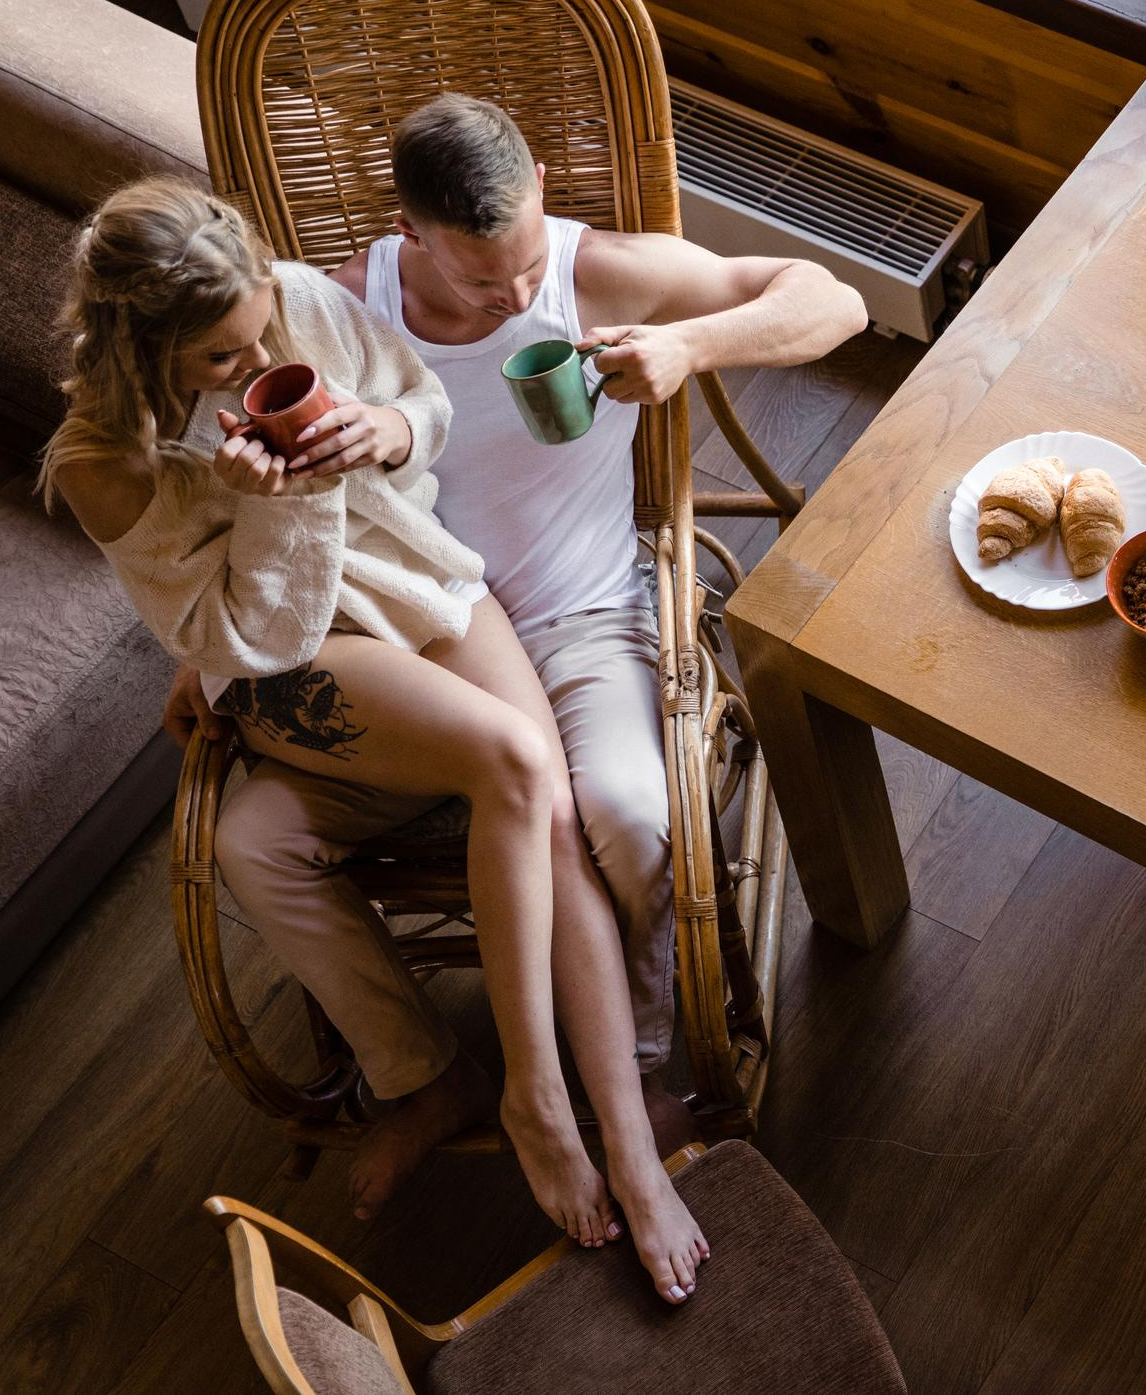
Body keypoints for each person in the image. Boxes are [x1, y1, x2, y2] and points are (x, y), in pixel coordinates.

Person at [158, 95, 866, 1221]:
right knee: (255, 843)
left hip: (583, 625)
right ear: (409, 234)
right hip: (416, 646)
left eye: (526, 261)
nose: (516, 296)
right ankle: (427, 1078)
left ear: (540, 178)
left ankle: (623, 1071)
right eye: (486, 283)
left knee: (629, 816)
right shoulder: (343, 309)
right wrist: (216, 652)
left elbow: (832, 299)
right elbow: (234, 499)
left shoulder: (596, 274)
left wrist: (687, 345)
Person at [44, 178, 710, 1303]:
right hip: (282, 660)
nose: (251, 366)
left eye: (259, 333)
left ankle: (630, 1150)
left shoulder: (294, 299)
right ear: (136, 349)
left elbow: (422, 409)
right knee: (511, 760)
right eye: (216, 360)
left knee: (542, 797)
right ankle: (530, 1101)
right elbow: (249, 636)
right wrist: (286, 503)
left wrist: (386, 428)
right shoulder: (103, 464)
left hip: (415, 589)